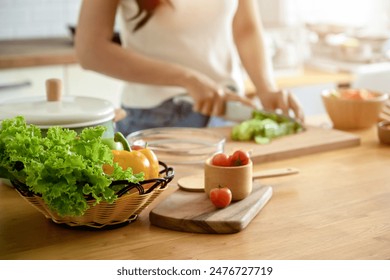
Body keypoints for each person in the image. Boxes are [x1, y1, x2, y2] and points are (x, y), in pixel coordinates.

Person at [75, 0, 304, 136]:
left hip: (228, 113)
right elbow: (90, 50)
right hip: (156, 120)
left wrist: (266, 87)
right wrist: (188, 79)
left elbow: (245, 27)